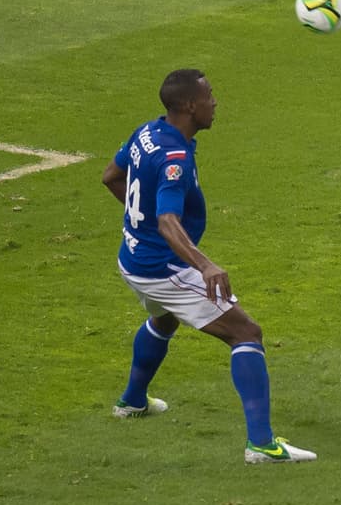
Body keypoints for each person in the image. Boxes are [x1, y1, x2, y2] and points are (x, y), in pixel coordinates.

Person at [101, 69, 315, 464]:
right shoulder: (175, 158)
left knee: (164, 321)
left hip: (132, 260)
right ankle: (262, 445)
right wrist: (205, 265)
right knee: (246, 332)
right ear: (189, 105)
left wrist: (143, 226)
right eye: (209, 96)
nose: (215, 102)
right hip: (163, 269)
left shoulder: (147, 132)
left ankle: (132, 401)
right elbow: (167, 222)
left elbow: (111, 176)